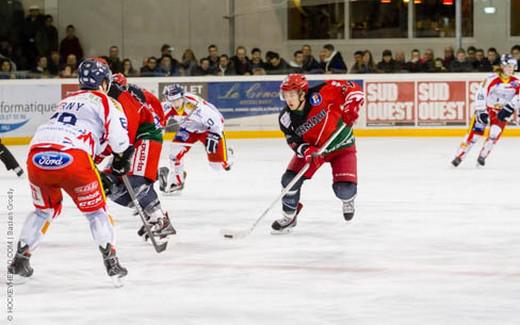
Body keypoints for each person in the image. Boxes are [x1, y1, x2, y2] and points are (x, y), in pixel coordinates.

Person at [8, 58, 133, 283]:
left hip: (37, 154)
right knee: (95, 212)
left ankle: (20, 259)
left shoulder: (67, 100)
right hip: (73, 158)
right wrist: (122, 159)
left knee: (43, 211)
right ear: (105, 81)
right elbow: (120, 142)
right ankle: (111, 262)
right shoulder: (106, 101)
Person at [273, 74, 362, 233]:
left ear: (302, 93)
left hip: (341, 145)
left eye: (292, 95)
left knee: (344, 189)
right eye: (286, 95)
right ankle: (289, 217)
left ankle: (348, 200)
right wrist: (307, 150)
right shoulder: (285, 118)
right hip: (316, 152)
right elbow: (293, 141)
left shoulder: (322, 93)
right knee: (289, 180)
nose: (289, 99)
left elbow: (352, 88)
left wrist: (351, 106)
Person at [102, 73, 176, 240]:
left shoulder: (123, 99)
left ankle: (160, 219)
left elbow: (127, 132)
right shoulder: (125, 93)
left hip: (146, 135)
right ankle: (149, 206)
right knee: (108, 184)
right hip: (130, 139)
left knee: (136, 181)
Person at [158, 84, 233, 194]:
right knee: (174, 153)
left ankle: (228, 156)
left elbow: (218, 120)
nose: (175, 104)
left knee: (217, 166)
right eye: (172, 101)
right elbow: (157, 123)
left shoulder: (195, 106)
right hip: (188, 130)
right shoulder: (166, 106)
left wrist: (215, 136)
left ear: (182, 97)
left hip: (208, 130)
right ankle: (177, 181)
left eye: (177, 100)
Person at [451, 54, 519, 167]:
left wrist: (510, 108)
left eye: (513, 66)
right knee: (475, 135)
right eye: (508, 66)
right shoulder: (491, 78)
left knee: (494, 133)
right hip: (487, 110)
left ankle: (483, 155)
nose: (510, 69)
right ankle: (459, 156)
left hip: (502, 112)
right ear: (502, 66)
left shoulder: (517, 81)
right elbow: (481, 94)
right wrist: (481, 111)